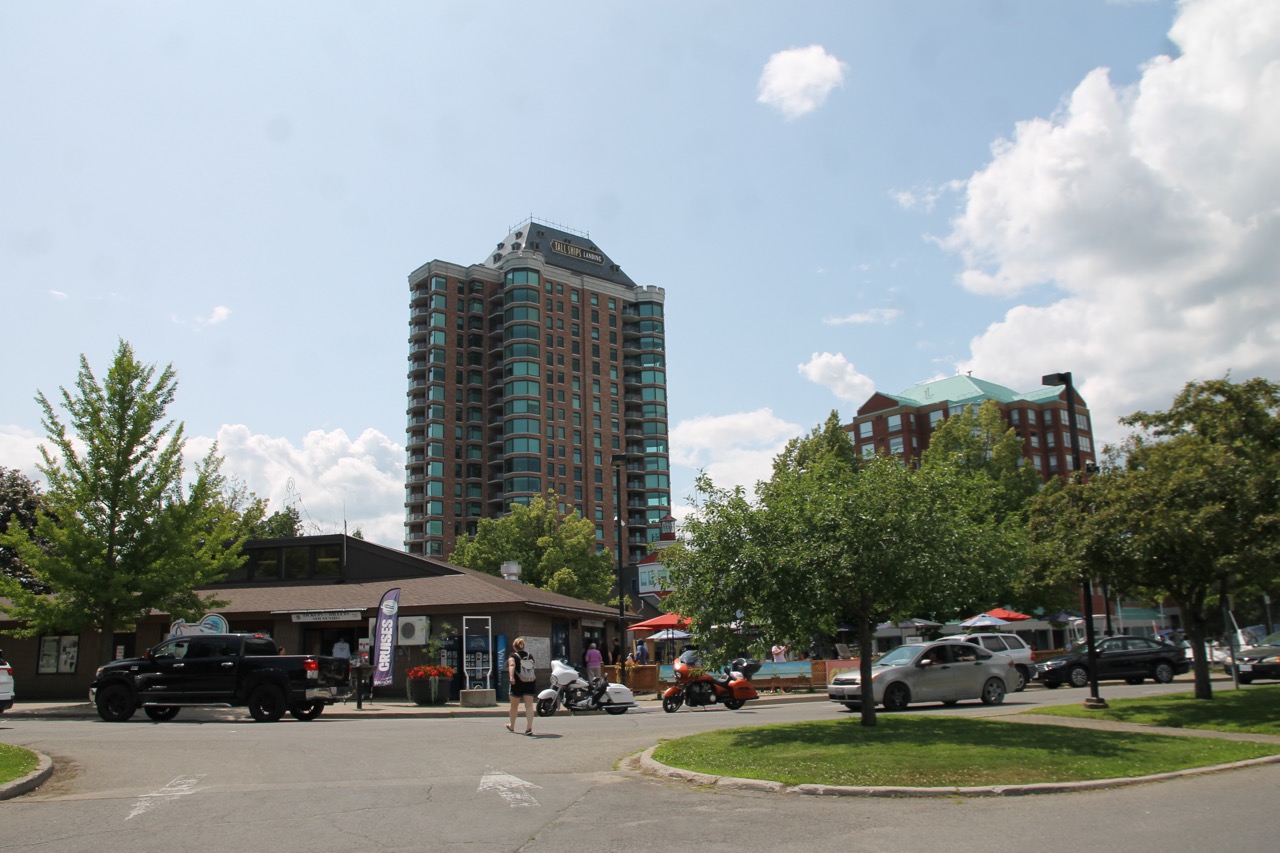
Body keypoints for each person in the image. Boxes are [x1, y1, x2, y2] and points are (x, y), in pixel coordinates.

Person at [506, 637, 536, 736]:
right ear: (523, 646)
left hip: (517, 682)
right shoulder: (529, 656)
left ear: (515, 647)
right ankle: (529, 727)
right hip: (530, 681)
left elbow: (511, 666)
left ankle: (512, 726)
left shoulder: (513, 656)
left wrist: (511, 677)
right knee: (529, 705)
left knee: (514, 706)